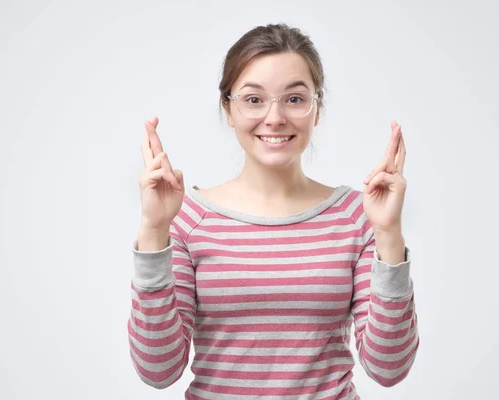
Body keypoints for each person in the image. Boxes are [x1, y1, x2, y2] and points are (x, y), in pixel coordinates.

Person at [127, 23, 419, 399]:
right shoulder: (186, 218)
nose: (275, 117)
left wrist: (389, 234)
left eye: (295, 99)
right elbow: (158, 370)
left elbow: (388, 368)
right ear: (228, 109)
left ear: (317, 110)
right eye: (253, 99)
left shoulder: (355, 215)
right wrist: (153, 229)